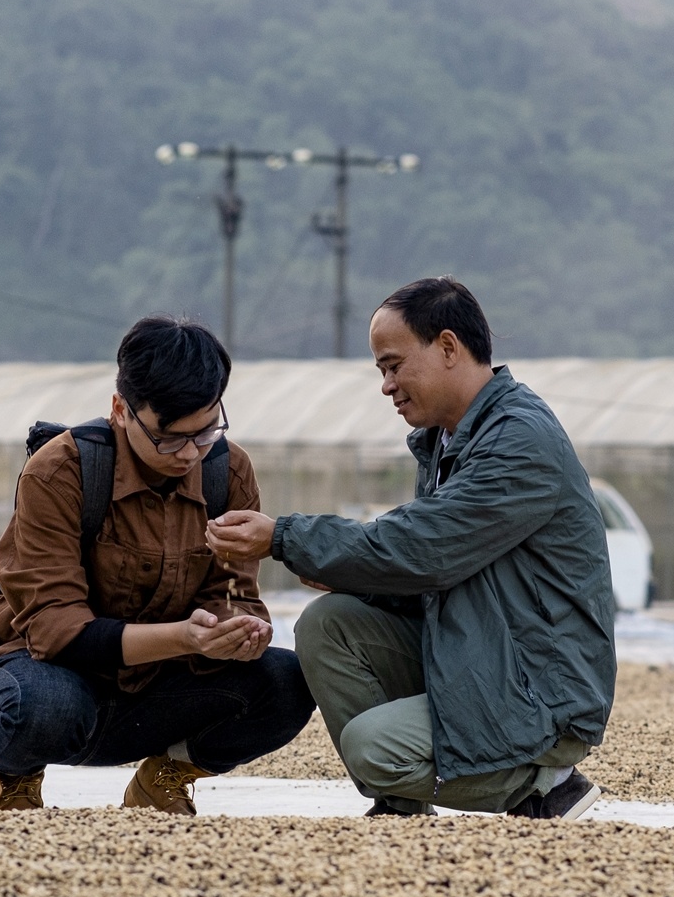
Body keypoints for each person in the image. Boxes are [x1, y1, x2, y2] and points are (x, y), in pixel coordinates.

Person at [207, 277, 614, 819]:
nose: (387, 386)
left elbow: (427, 548)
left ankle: (546, 785)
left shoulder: (519, 439)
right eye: (382, 370)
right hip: (482, 653)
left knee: (373, 749)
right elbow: (434, 562)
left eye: (394, 366)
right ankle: (402, 807)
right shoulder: (451, 437)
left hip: (538, 687)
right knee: (328, 624)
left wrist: (283, 537)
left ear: (447, 347)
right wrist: (352, 573)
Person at [0, 316, 315, 814]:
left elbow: (233, 591)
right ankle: (13, 773)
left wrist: (237, 630)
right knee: (43, 708)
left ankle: (166, 774)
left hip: (156, 685)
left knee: (287, 683)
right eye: (169, 438)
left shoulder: (227, 471)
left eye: (206, 431)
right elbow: (58, 632)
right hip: (53, 674)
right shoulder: (59, 472)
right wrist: (186, 638)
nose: (189, 453)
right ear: (120, 410)